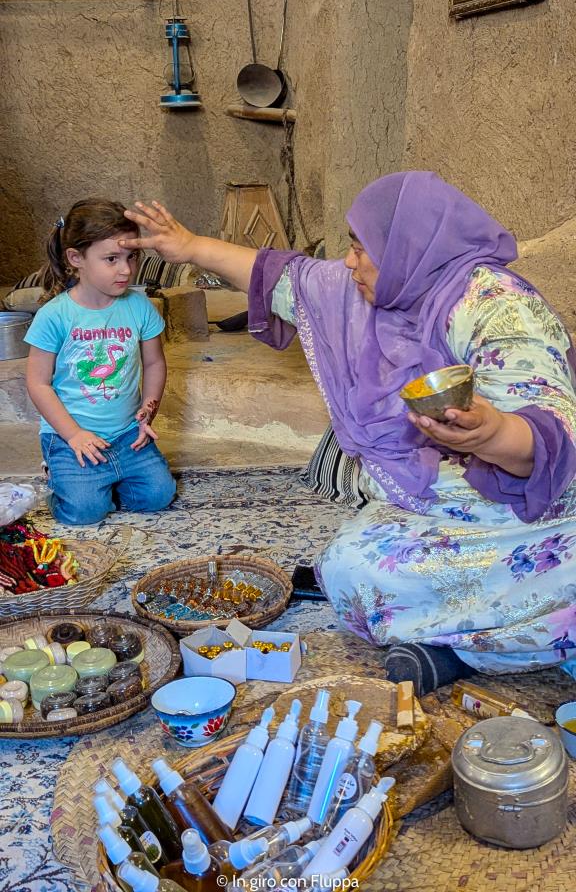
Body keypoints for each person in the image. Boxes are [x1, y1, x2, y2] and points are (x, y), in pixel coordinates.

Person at [121, 173, 576, 692]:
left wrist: (489, 434)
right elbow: (291, 278)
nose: (348, 261)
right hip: (451, 493)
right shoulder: (383, 289)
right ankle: (484, 639)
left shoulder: (497, 305)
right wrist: (189, 247)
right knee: (350, 570)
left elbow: (548, 438)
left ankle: (471, 655)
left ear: (405, 247)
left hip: (545, 500)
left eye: (361, 247)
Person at [25, 199, 176, 526]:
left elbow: (154, 364)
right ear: (76, 258)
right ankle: (63, 475)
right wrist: (74, 435)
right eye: (111, 259)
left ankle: (105, 480)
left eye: (131, 256)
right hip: (70, 438)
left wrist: (148, 412)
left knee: (159, 495)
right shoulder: (55, 316)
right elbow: (37, 384)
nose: (126, 269)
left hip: (126, 434)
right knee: (84, 512)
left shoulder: (139, 306)